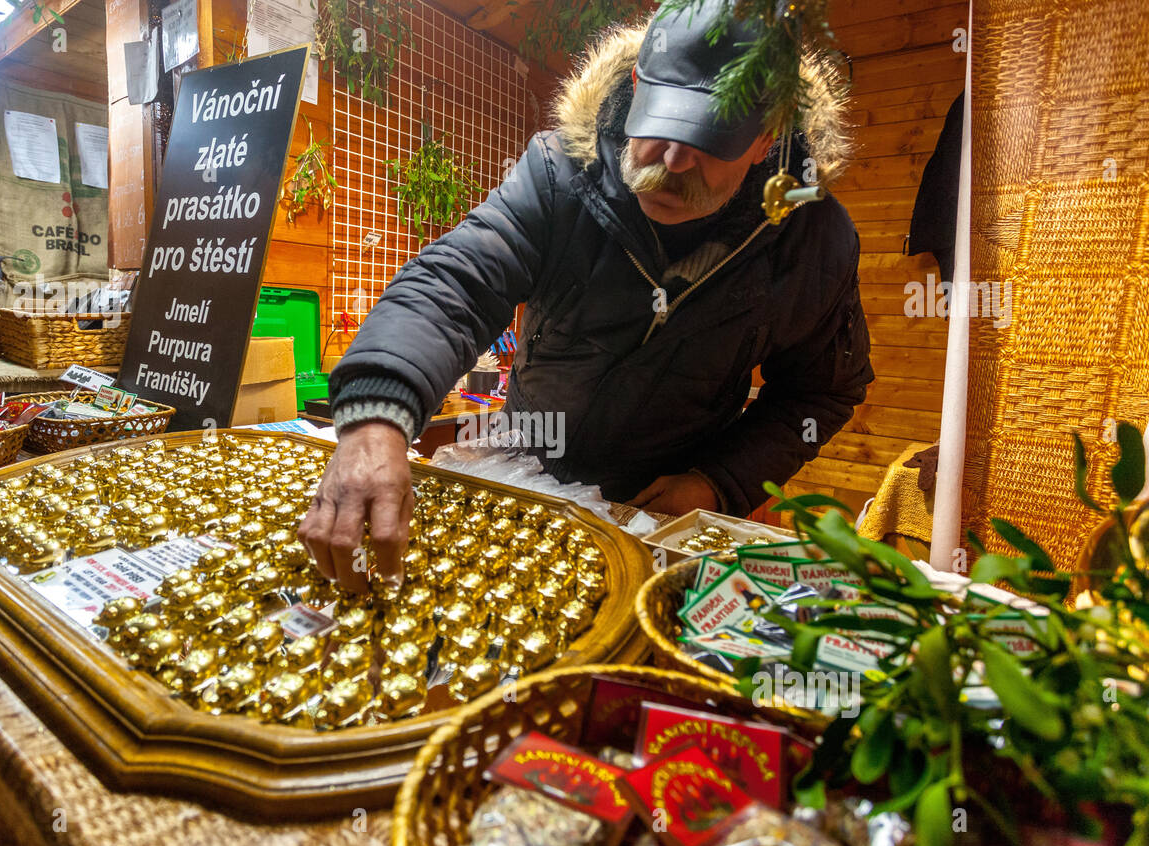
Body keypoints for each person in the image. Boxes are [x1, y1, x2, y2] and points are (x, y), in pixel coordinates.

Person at [298, 0, 873, 591]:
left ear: (765, 139)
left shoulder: (812, 239)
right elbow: (457, 282)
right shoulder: (559, 174)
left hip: (663, 511)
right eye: (662, 123)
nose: (673, 161)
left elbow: (819, 393)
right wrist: (375, 417)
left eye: (711, 138)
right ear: (635, 85)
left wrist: (719, 480)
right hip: (525, 472)